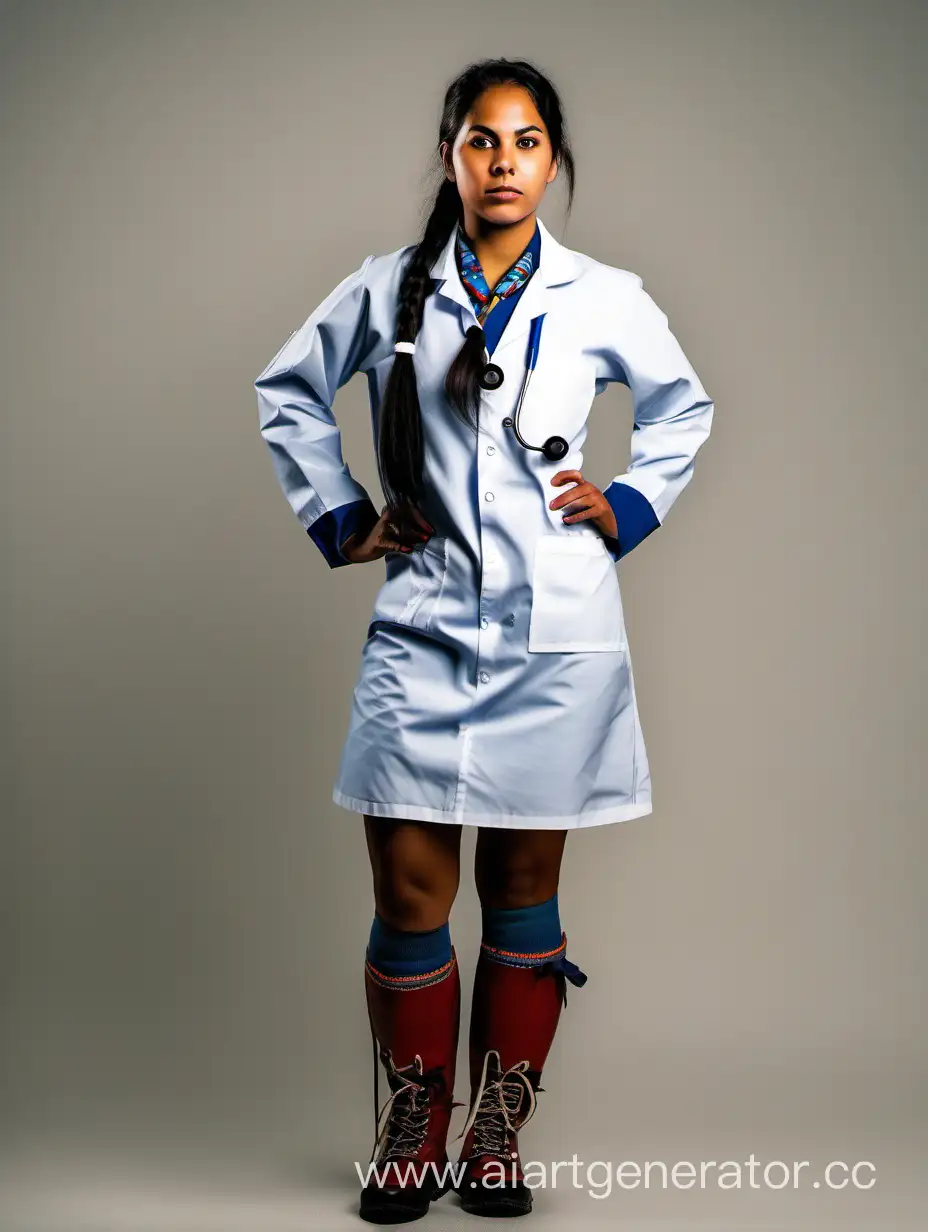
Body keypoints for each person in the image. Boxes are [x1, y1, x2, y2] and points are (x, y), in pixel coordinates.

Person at [255, 57, 714, 1224]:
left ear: (551, 161)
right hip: (422, 622)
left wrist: (631, 501)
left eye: (524, 143)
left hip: (555, 632)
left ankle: (497, 1128)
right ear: (451, 157)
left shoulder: (604, 295)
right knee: (411, 883)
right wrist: (345, 514)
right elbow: (289, 390)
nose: (502, 162)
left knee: (522, 882)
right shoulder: (385, 290)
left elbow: (682, 409)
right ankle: (416, 1120)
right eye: (479, 140)